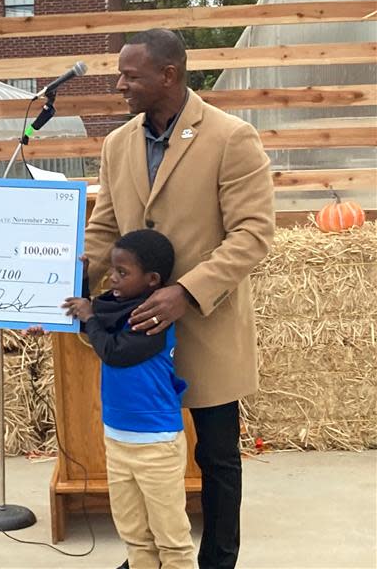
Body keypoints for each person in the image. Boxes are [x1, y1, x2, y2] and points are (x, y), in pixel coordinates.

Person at [84, 29, 275, 569]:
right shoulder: (116, 143)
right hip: (138, 334)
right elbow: (105, 229)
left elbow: (252, 234)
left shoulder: (232, 137)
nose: (120, 85)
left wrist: (186, 293)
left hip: (206, 328)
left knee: (215, 457)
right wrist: (65, 273)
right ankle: (146, 555)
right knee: (138, 457)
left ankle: (217, 559)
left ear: (168, 75)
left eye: (130, 75)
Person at [64, 229, 193, 569]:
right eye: (112, 270)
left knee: (171, 539)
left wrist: (89, 315)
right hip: (118, 440)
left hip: (156, 445)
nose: (113, 278)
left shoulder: (153, 318)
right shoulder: (116, 306)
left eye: (123, 272)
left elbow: (113, 351)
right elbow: (92, 323)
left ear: (152, 280)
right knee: (135, 534)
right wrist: (81, 286)